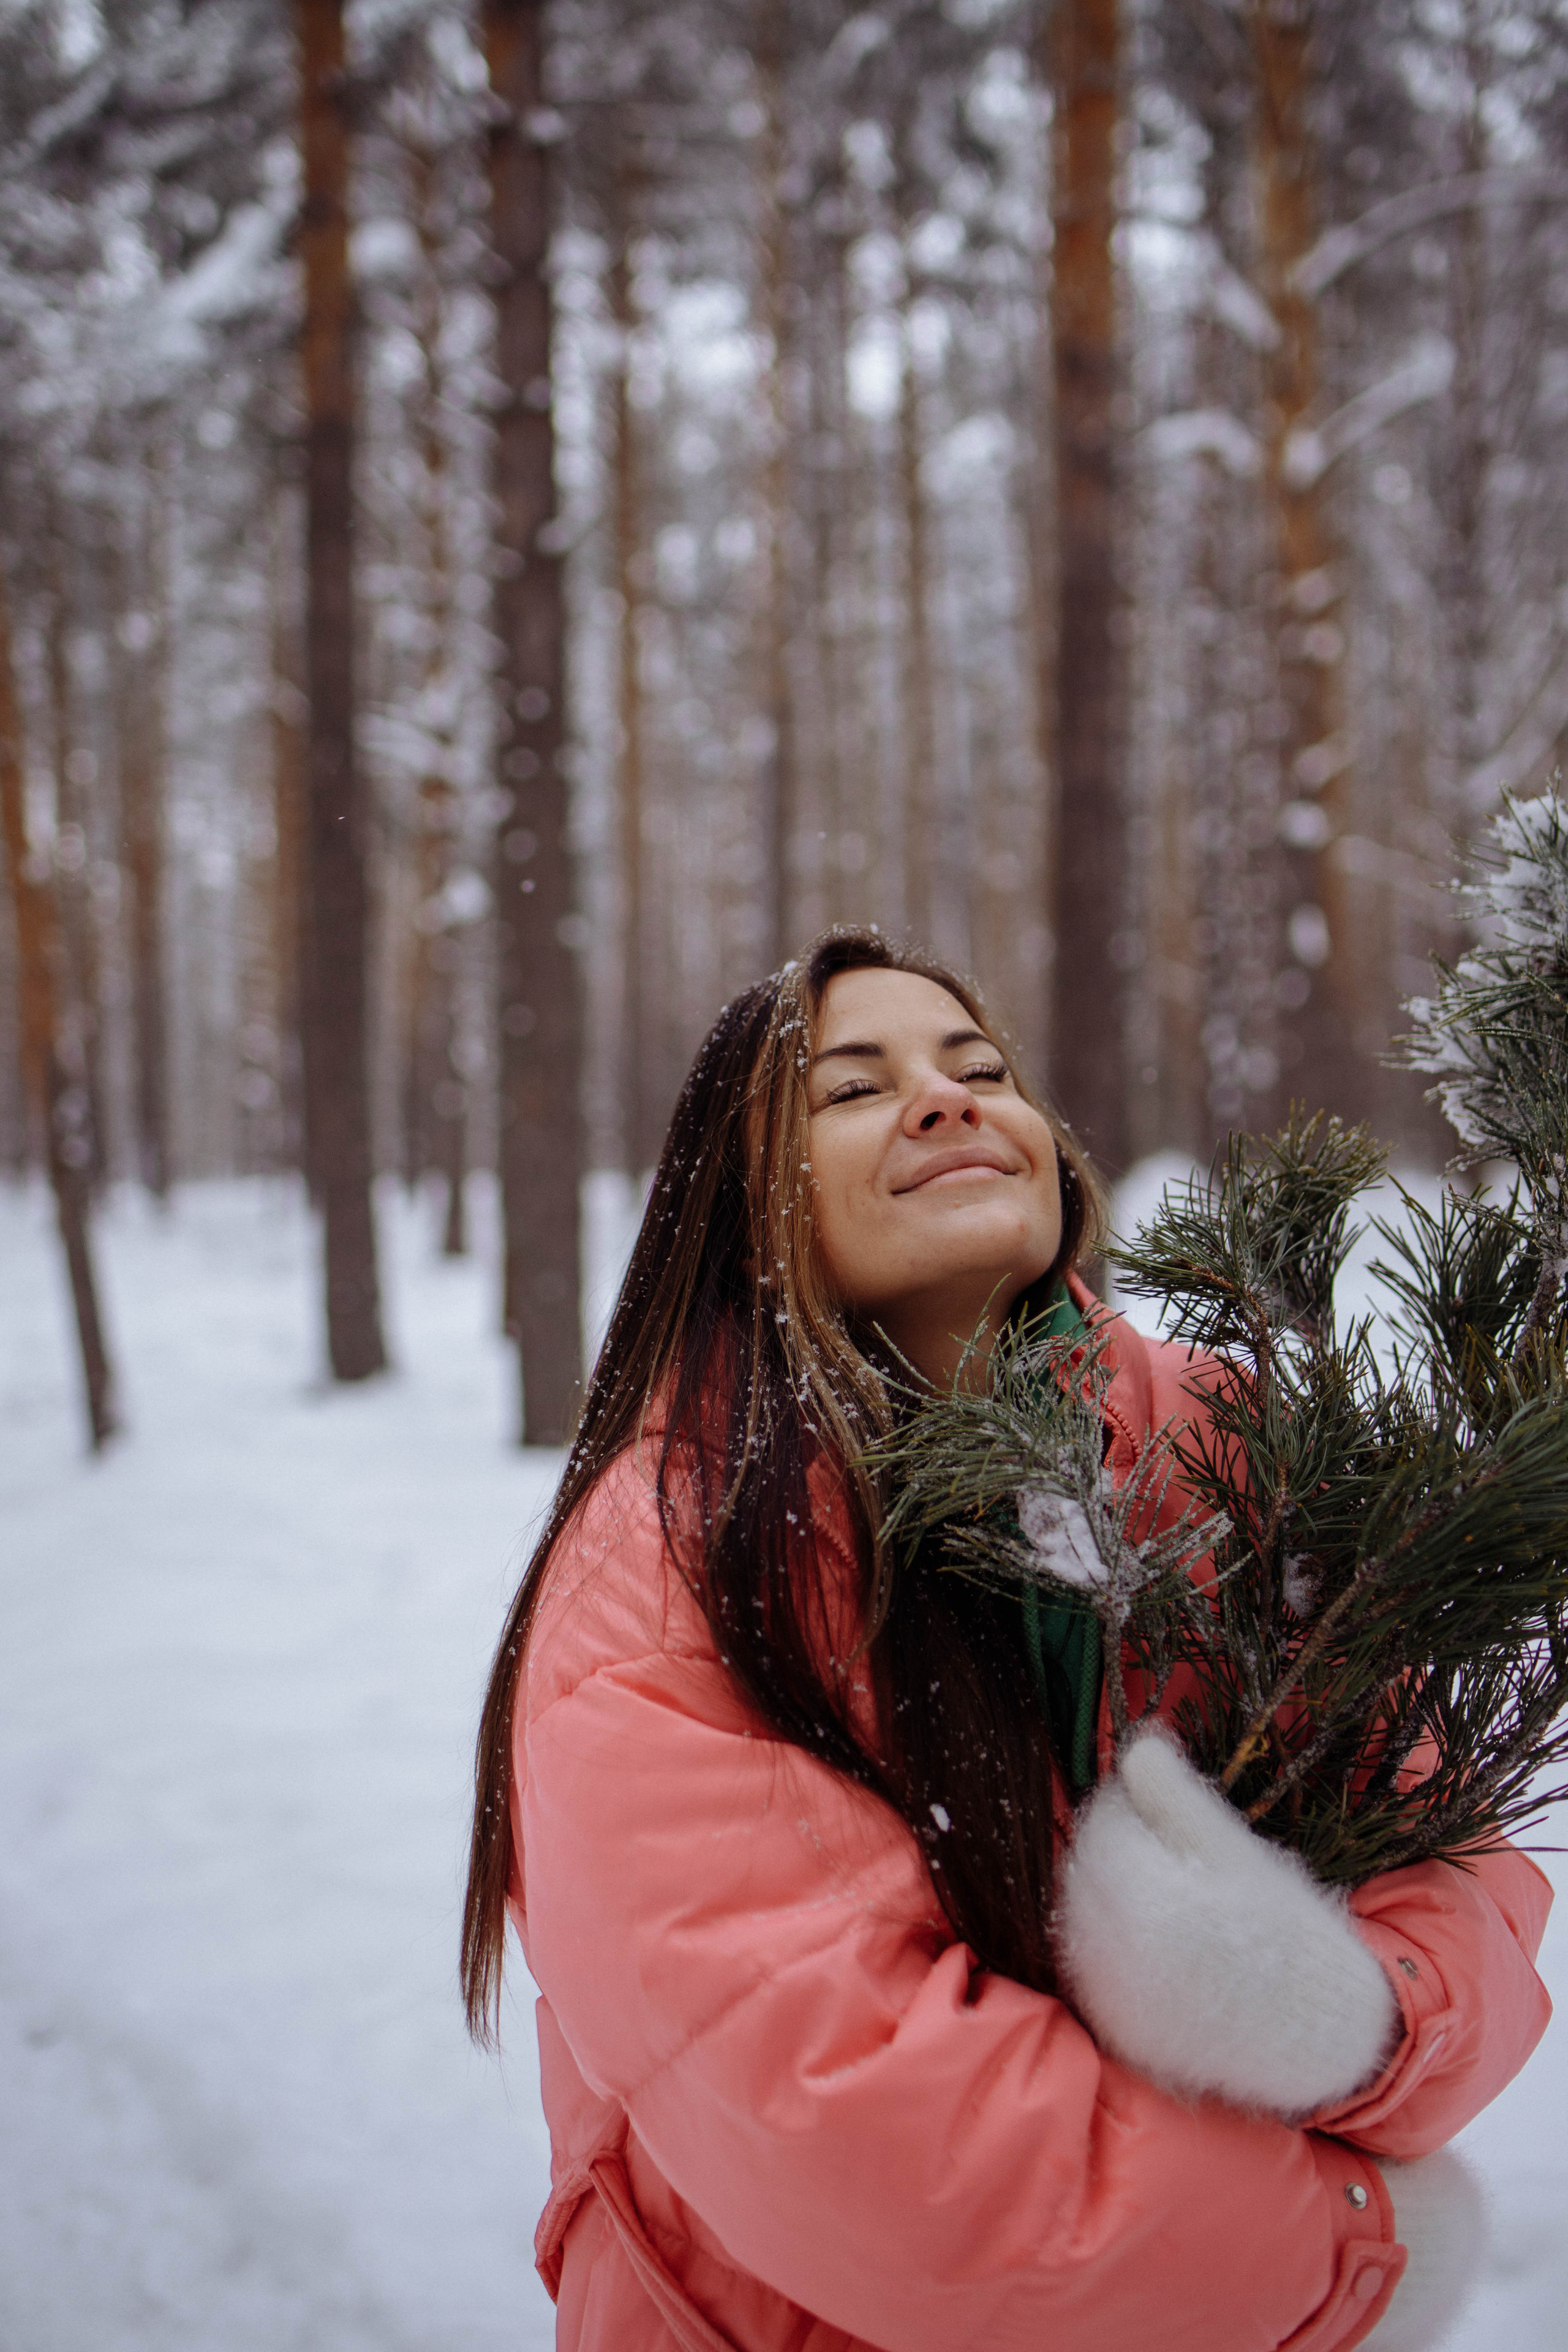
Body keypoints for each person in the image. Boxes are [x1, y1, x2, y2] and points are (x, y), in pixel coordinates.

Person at [461, 929, 1553, 2352]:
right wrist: (1339, 2255)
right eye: (853, 1091)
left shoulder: (1224, 1440)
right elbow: (870, 2128)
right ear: (741, 1209)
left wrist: (1343, 2018)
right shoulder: (668, 1553)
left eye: (978, 1068)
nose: (945, 1098)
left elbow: (1438, 1822)